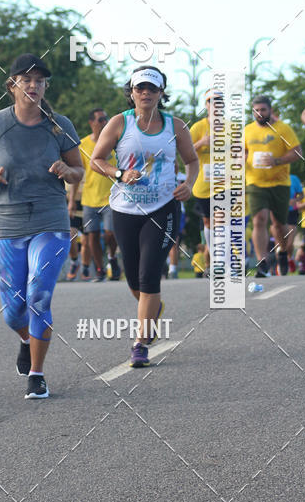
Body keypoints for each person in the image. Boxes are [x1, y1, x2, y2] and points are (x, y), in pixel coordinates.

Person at [0, 53, 83, 399]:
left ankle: (37, 373)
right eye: (26, 79)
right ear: (12, 85)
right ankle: (25, 339)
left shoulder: (58, 125)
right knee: (12, 311)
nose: (33, 85)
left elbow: (79, 170)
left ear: (46, 86)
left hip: (50, 219)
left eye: (39, 80)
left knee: (38, 293)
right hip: (8, 221)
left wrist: (68, 172)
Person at [90, 66, 198, 367]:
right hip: (125, 209)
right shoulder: (118, 123)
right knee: (134, 279)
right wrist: (120, 173)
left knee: (150, 273)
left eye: (152, 88)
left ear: (161, 93)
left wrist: (188, 184)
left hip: (163, 207)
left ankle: (140, 343)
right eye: (140, 88)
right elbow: (96, 160)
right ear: (132, 92)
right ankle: (152, 308)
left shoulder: (175, 125)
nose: (146, 93)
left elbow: (191, 160)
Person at [244, 96, 302, 277]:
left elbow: (297, 153)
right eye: (256, 110)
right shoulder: (247, 130)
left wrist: (277, 160)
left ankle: (283, 253)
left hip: (280, 183)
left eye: (263, 110)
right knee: (259, 220)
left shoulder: (283, 128)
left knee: (279, 225)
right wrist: (240, 158)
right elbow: (241, 151)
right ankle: (262, 262)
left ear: (270, 110)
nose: (259, 113)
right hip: (255, 182)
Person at [69, 109, 120, 282]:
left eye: (107, 119)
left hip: (111, 198)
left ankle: (112, 257)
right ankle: (99, 270)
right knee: (91, 237)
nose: (105, 122)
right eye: (101, 119)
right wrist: (71, 201)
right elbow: (77, 175)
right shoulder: (82, 145)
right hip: (89, 199)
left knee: (110, 234)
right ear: (92, 122)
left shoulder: (115, 142)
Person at [189, 89, 223, 275]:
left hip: (224, 182)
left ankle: (219, 261)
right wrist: (201, 143)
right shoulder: (197, 127)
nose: (216, 105)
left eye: (219, 101)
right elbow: (186, 152)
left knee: (220, 220)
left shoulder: (230, 126)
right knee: (208, 222)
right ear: (206, 105)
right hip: (203, 183)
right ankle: (212, 260)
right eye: (212, 101)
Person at [286, 172, 304, 272]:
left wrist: (295, 200)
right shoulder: (273, 177)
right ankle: (281, 261)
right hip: (278, 210)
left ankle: (289, 258)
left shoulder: (294, 178)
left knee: (290, 241)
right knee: (279, 239)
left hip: (292, 211)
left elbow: (301, 195)